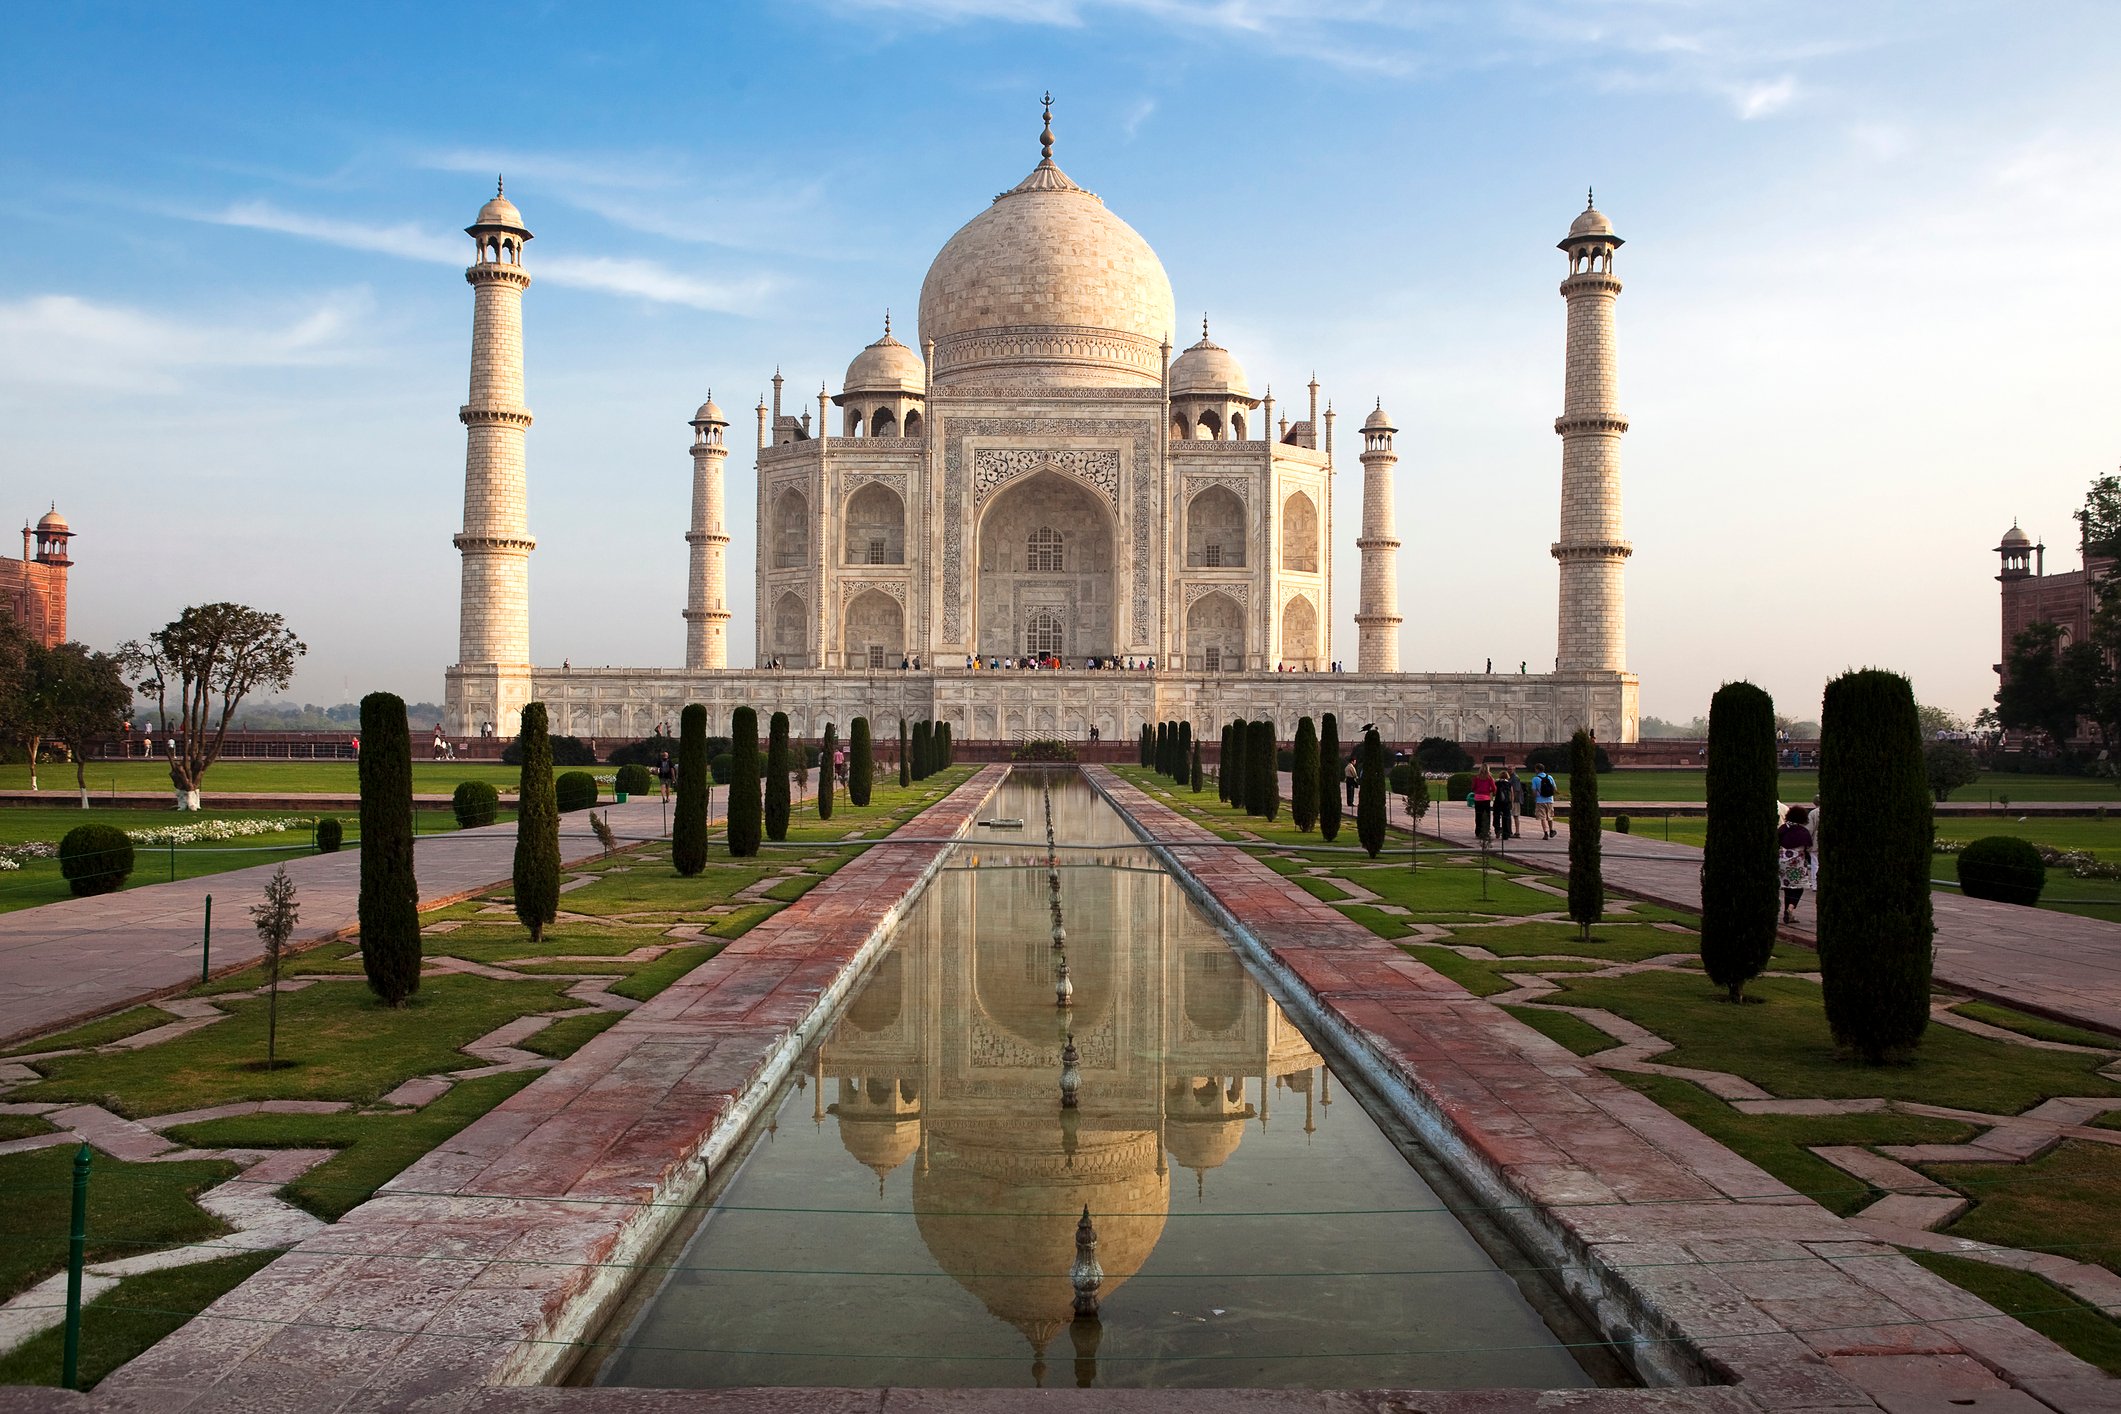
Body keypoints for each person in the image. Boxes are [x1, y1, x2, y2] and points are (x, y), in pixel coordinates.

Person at [1778, 806, 1814, 924]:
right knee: (1798, 887)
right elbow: (1808, 847)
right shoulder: (1802, 831)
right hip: (1797, 863)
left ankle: (1787, 913)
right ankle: (1791, 908)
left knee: (1788, 887)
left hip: (1782, 861)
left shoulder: (1783, 828)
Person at [1532, 766, 1558, 839]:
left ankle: (1545, 833)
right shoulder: (1550, 777)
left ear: (1537, 769)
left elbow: (1534, 790)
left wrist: (1535, 798)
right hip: (1549, 800)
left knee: (1542, 817)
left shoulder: (1535, 779)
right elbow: (1555, 789)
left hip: (1540, 800)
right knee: (1549, 816)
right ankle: (1551, 830)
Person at [1471, 765, 1495, 840]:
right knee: (1486, 816)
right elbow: (1494, 788)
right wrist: (1489, 791)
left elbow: (1473, 787)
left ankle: (1478, 831)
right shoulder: (1489, 778)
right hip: (1486, 798)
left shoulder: (1476, 777)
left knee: (1478, 815)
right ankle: (1485, 831)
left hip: (1478, 798)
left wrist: (1477, 791)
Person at [1493, 767, 1516, 841]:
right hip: (1506, 803)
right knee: (1506, 817)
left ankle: (1497, 829)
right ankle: (1506, 834)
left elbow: (1494, 792)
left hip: (1497, 802)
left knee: (1496, 816)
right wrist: (1511, 803)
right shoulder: (1509, 784)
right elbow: (1511, 794)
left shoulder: (1496, 783)